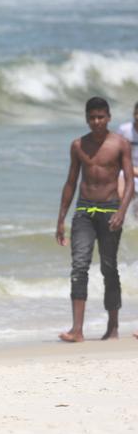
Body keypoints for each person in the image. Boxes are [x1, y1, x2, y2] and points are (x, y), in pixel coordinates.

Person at [55, 97, 132, 343]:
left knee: (109, 268)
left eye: (100, 117)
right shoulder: (78, 145)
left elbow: (129, 181)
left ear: (108, 117)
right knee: (79, 266)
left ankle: (113, 327)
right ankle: (77, 330)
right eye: (92, 117)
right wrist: (60, 219)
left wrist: (121, 211)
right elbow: (70, 182)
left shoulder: (120, 144)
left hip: (110, 209)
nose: (96, 122)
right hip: (84, 210)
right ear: (86, 118)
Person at [116, 101, 138, 209]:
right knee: (120, 194)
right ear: (134, 113)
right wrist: (131, 169)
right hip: (124, 169)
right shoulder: (124, 129)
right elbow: (115, 154)